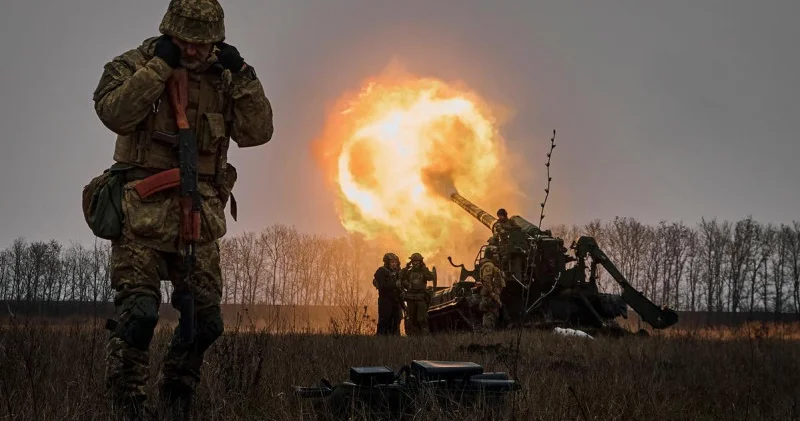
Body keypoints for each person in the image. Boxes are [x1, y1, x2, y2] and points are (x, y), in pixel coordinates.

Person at [90, 0, 273, 419]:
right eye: (185, 42)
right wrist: (158, 69)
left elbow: (258, 131)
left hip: (200, 216)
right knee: (138, 316)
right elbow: (113, 112)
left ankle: (176, 393)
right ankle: (127, 404)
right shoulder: (135, 64)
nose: (193, 51)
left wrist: (244, 76)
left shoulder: (227, 76)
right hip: (142, 216)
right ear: (169, 32)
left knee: (205, 322)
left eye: (203, 44)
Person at [400, 253, 437, 335]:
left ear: (420, 262)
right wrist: (407, 284)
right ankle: (415, 336)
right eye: (413, 261)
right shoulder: (408, 272)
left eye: (417, 261)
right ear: (411, 262)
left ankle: (425, 335)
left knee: (422, 318)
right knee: (412, 319)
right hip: (410, 298)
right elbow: (401, 279)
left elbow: (431, 277)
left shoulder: (424, 270)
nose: (415, 263)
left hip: (421, 298)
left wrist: (425, 270)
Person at [373, 253, 404, 336]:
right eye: (392, 262)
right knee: (385, 321)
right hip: (385, 300)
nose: (394, 264)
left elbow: (402, 286)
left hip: (396, 300)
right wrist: (395, 285)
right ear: (387, 263)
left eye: (395, 262)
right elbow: (382, 286)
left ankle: (395, 340)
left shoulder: (399, 272)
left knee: (397, 320)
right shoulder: (381, 271)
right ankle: (381, 339)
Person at [478, 246, 505, 331]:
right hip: (490, 297)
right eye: (495, 254)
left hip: (492, 296)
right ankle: (487, 337)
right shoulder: (489, 265)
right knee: (489, 316)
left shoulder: (492, 265)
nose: (497, 256)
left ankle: (489, 336)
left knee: (493, 316)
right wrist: (493, 294)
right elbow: (486, 280)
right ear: (490, 255)